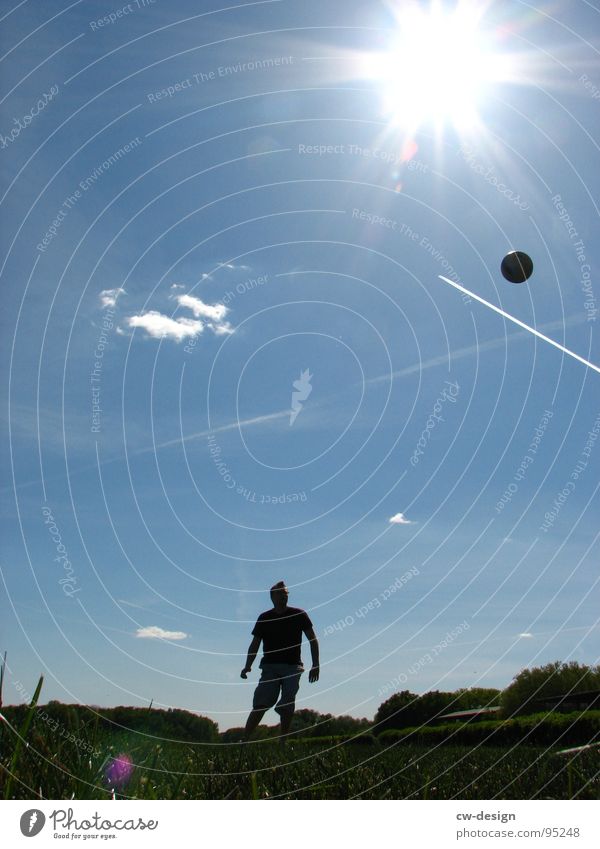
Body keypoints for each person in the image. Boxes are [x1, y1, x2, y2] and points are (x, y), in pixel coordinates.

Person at [241, 581, 320, 742]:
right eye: (280, 593)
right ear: (272, 597)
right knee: (261, 704)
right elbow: (255, 644)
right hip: (270, 667)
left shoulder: (299, 614)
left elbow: (313, 639)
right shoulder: (264, 618)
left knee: (287, 704)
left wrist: (316, 664)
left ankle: (282, 742)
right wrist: (247, 666)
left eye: (286, 593)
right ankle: (244, 740)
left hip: (293, 667)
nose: (284, 596)